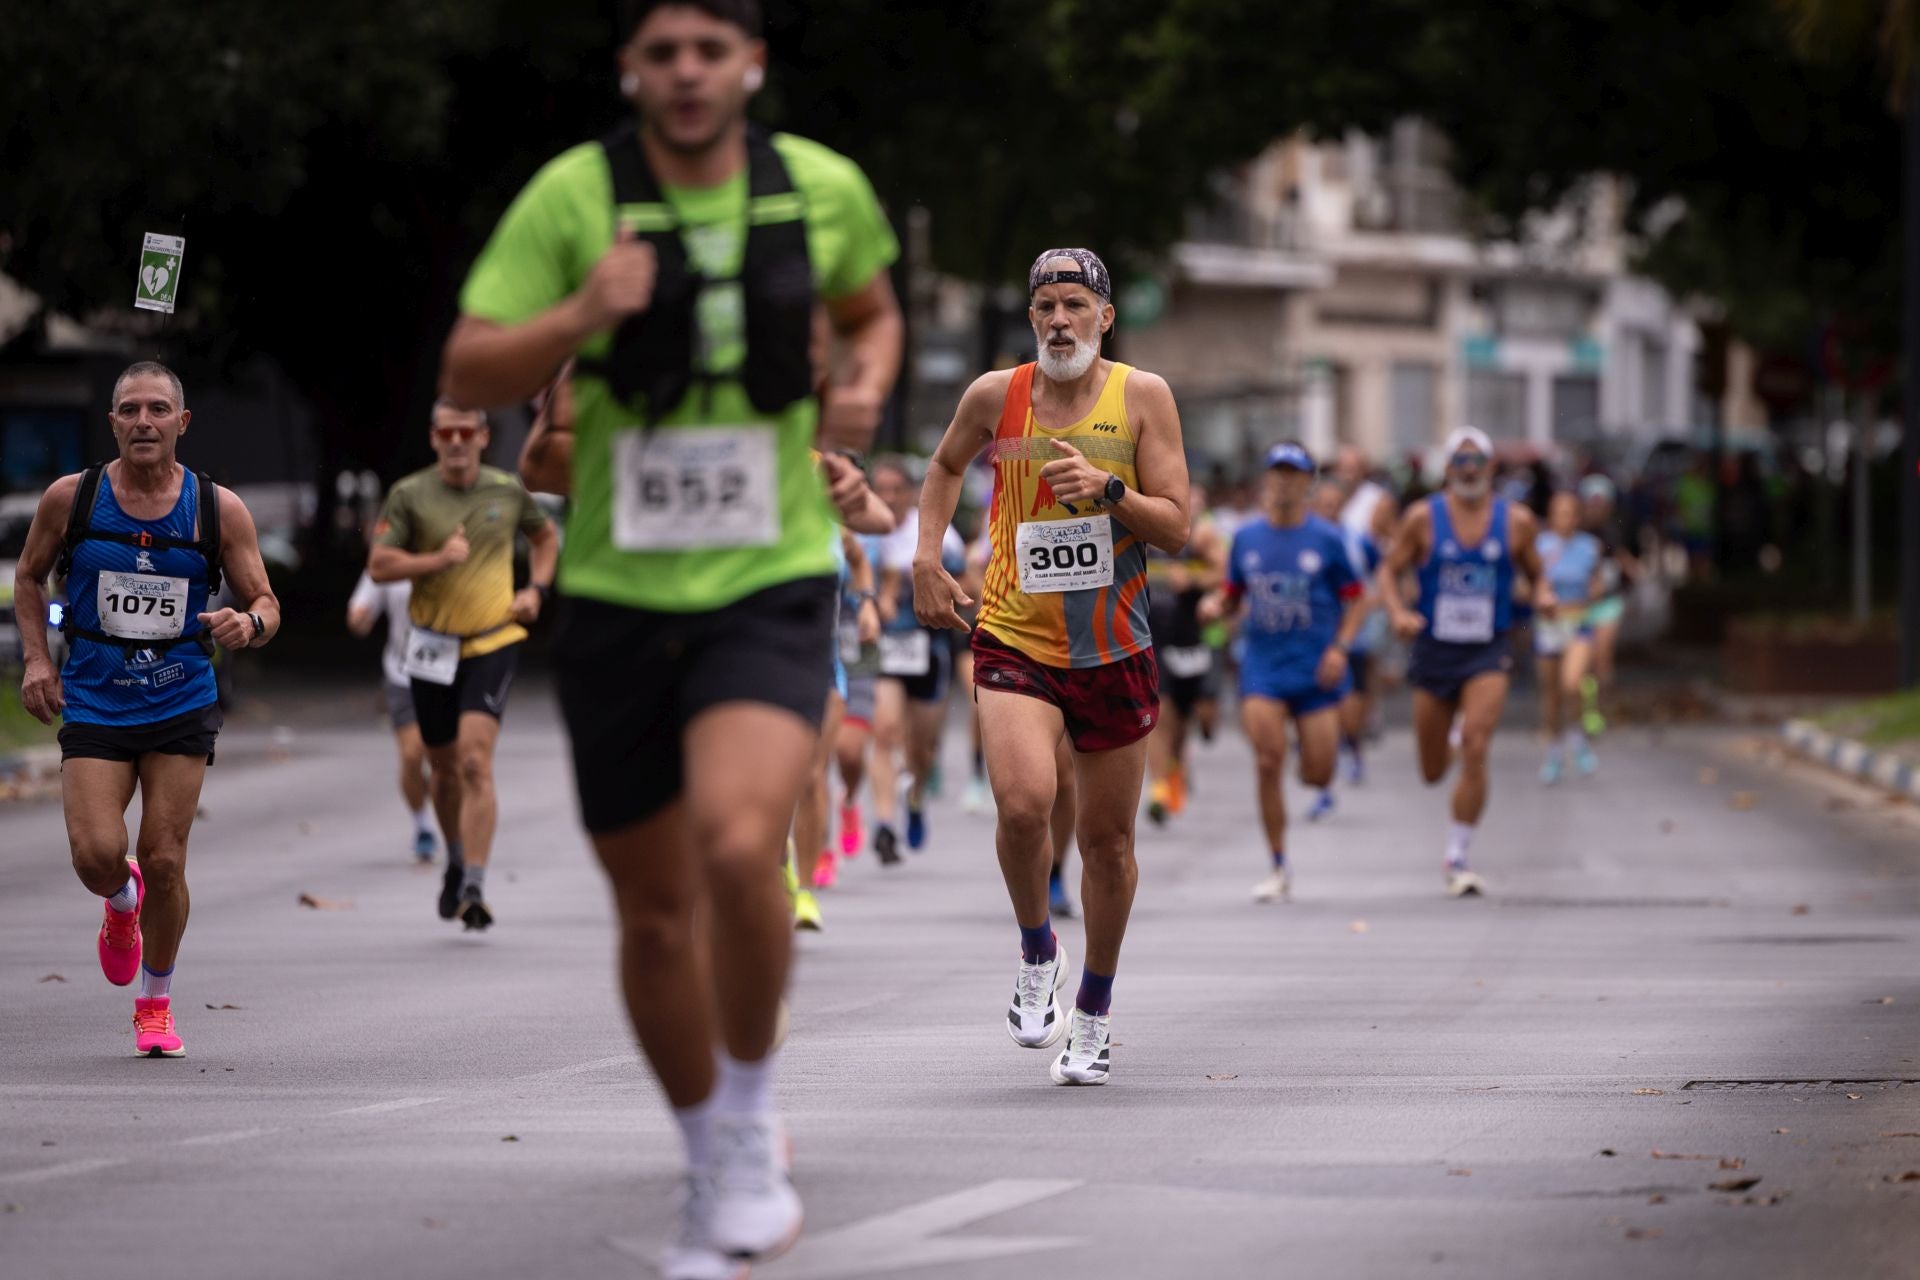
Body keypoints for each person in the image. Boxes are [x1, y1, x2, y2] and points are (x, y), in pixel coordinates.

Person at [438, 0, 903, 1269]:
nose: (688, 74)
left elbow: (871, 313)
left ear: (751, 64)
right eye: (663, 53)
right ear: (630, 70)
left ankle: (748, 1120)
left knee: (743, 842)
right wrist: (579, 312)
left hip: (769, 577)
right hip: (620, 592)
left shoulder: (819, 188)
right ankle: (706, 1148)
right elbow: (472, 369)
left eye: (711, 51)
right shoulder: (574, 197)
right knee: (652, 913)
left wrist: (865, 383)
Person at [914, 248, 1190, 1087]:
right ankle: (1038, 949)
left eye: (1075, 304)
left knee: (1107, 845)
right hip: (1015, 634)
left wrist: (1110, 492)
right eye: (1046, 307)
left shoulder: (1142, 396)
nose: (1059, 320)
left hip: (1114, 647)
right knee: (1023, 804)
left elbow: (1177, 528)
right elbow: (944, 466)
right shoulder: (995, 395)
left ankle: (1095, 1012)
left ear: (1106, 316)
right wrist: (927, 556)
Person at [12, 361, 280, 1058]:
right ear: (112, 423)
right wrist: (38, 660)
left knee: (165, 857)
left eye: (158, 409)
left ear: (182, 422)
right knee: (97, 856)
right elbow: (29, 577)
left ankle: (155, 1004)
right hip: (96, 699)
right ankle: (120, 900)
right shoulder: (73, 499)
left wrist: (248, 624)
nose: (143, 421)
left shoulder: (217, 508)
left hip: (180, 698)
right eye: (129, 409)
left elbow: (265, 601)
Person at [368, 402, 558, 931]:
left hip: (493, 639)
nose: (456, 442)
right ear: (434, 437)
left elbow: (545, 537)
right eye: (447, 432)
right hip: (431, 647)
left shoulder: (507, 490)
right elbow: (379, 565)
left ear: (483, 437)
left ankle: (475, 882)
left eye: (466, 433)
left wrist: (536, 591)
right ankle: (454, 857)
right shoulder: (410, 494)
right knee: (444, 768)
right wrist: (436, 560)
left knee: (475, 762)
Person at [1377, 427, 1552, 897]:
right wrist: (1397, 614)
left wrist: (1544, 595)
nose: (1469, 471)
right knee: (1432, 770)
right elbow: (1388, 572)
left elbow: (1538, 574)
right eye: (1460, 462)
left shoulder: (1516, 522)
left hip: (1487, 649)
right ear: (1448, 468)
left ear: (1491, 468)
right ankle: (1453, 740)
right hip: (1435, 649)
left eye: (1477, 462)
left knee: (1477, 744)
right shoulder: (1422, 518)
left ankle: (1457, 854)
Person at [1200, 445, 1365, 901]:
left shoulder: (1327, 539)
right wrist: (1216, 606)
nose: (1284, 482)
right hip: (1264, 669)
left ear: (1308, 482)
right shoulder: (1247, 538)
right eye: (1277, 473)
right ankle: (1277, 863)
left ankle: (1308, 756)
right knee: (1268, 761)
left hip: (1316, 672)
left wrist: (1340, 648)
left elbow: (1357, 598)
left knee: (1318, 773)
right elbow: (1232, 594)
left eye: (1294, 474)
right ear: (1267, 479)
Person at [871, 459, 965, 859]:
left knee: (922, 748)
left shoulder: (931, 532)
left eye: (897, 489)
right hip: (885, 647)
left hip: (928, 649)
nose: (889, 497)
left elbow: (964, 579)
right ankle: (884, 824)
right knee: (886, 732)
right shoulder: (864, 530)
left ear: (911, 493)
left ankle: (915, 796)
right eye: (882, 489)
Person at [1142, 484, 1226, 827]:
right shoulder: (1144, 529)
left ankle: (1177, 763)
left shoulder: (1202, 536)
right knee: (1161, 714)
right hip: (1156, 636)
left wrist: (1192, 581)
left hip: (1195, 637)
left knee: (1196, 718)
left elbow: (1225, 574)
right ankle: (1160, 790)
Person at [346, 569, 437, 861]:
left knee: (446, 761)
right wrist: (360, 617)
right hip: (403, 674)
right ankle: (423, 825)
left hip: (450, 673)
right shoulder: (390, 557)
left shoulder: (455, 551)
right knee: (412, 755)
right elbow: (360, 610)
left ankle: (449, 814)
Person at [1578, 473, 1639, 734]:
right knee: (1582, 662)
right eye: (1592, 502)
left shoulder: (1616, 531)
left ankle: (1600, 709)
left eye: (1600, 503)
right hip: (1578, 606)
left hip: (1608, 604)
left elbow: (1628, 565)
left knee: (1602, 658)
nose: (1596, 508)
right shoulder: (1574, 533)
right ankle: (1585, 708)